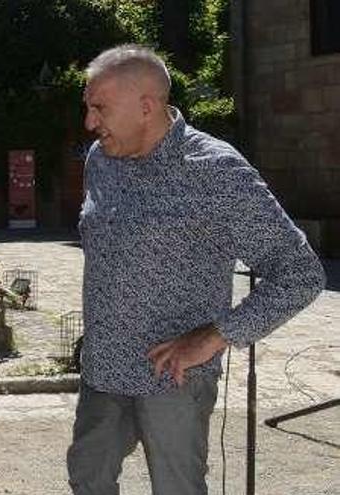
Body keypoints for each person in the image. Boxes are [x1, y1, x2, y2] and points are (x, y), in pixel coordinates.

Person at [68, 44, 326, 495]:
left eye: (99, 108)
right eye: (88, 108)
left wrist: (216, 336)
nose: (90, 122)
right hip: (104, 370)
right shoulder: (100, 160)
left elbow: (300, 273)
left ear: (146, 107)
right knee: (87, 476)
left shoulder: (216, 171)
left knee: (177, 489)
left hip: (174, 377)